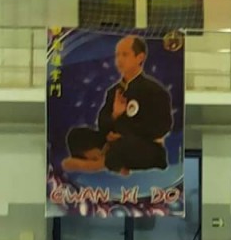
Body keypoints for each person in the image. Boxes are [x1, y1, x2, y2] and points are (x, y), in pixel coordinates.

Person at [62, 35, 173, 175]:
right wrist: (115, 115)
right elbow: (102, 124)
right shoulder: (114, 91)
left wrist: (123, 134)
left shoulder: (155, 90)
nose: (119, 60)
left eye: (125, 55)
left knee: (124, 145)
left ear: (140, 58)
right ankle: (108, 159)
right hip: (114, 143)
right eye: (117, 55)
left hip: (144, 146)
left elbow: (162, 127)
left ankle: (96, 164)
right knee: (76, 135)